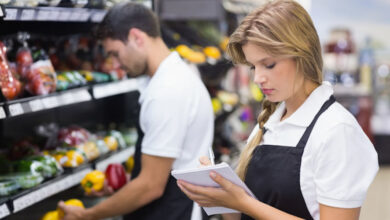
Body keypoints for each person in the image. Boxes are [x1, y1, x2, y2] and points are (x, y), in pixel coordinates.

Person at [177, 1, 379, 220]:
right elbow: (242, 216)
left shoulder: (336, 130)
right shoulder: (269, 122)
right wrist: (220, 194)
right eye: (254, 66)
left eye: (269, 64)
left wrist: (244, 202)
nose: (257, 78)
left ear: (302, 55)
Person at [58, 2, 214, 220]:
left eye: (115, 53)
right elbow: (167, 166)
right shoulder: (177, 75)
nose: (115, 64)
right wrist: (121, 187)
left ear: (137, 38)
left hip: (173, 212)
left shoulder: (167, 91)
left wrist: (87, 215)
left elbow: (150, 186)